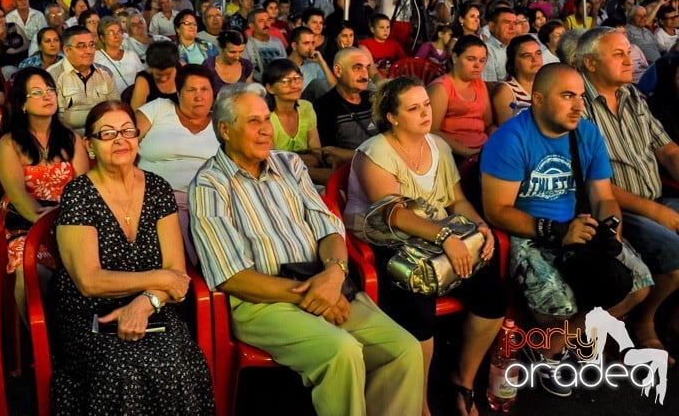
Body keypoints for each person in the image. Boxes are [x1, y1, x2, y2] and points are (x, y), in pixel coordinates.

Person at [189, 83, 423, 416]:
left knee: (404, 349)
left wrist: (333, 274)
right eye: (253, 122)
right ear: (225, 130)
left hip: (324, 282)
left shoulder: (290, 166)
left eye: (266, 120)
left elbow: (329, 228)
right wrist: (313, 295)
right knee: (341, 352)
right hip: (263, 301)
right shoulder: (210, 184)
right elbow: (232, 277)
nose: (265, 131)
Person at [481, 63, 652, 397]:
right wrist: (555, 231)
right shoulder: (510, 139)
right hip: (528, 231)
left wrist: (610, 233)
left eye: (580, 96)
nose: (578, 105)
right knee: (557, 306)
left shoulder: (586, 133)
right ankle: (557, 345)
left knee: (639, 285)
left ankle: (551, 347)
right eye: (567, 96)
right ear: (539, 100)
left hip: (578, 226)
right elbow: (497, 211)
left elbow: (602, 196)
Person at [346, 76, 504, 416]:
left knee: (491, 287)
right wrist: (446, 238)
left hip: (434, 237)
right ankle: (417, 401)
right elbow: (395, 216)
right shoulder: (373, 153)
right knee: (416, 301)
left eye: (427, 105)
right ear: (392, 116)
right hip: (386, 241)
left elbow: (456, 200)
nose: (424, 113)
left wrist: (480, 228)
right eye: (413, 108)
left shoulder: (438, 146)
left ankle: (463, 379)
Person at [49, 101, 214, 414]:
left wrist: (146, 302)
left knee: (173, 360)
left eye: (127, 131)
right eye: (108, 133)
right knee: (120, 368)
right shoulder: (79, 193)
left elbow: (176, 272)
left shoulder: (157, 188)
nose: (120, 140)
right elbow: (89, 281)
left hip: (156, 307)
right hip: (92, 315)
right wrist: (161, 279)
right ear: (90, 145)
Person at [577, 27, 679, 358]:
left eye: (628, 52)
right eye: (618, 54)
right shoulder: (578, 107)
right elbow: (593, 183)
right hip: (618, 207)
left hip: (657, 196)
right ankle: (644, 321)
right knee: (675, 252)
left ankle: (674, 316)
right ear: (590, 63)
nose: (629, 60)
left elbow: (667, 151)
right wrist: (658, 213)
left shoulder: (632, 96)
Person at [0, 67, 88, 312]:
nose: (48, 96)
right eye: (37, 92)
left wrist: (67, 225)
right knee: (30, 270)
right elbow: (18, 196)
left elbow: (84, 189)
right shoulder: (10, 143)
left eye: (50, 90)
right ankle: (39, 341)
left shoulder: (71, 138)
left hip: (70, 219)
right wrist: (45, 224)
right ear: (22, 103)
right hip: (26, 221)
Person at [135, 64, 219, 263]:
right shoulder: (160, 108)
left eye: (205, 90)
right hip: (156, 198)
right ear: (178, 93)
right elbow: (125, 140)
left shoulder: (222, 123)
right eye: (191, 90)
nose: (199, 96)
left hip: (209, 201)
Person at [263, 58, 330, 184]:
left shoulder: (306, 107)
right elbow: (274, 163)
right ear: (270, 88)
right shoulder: (265, 117)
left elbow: (317, 155)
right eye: (285, 81)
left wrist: (292, 159)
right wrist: (304, 159)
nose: (294, 85)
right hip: (278, 181)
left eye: (297, 78)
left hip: (308, 177)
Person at [428, 35, 494, 160]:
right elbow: (432, 131)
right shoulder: (441, 88)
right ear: (455, 58)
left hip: (483, 150)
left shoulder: (480, 84)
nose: (477, 65)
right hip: (453, 155)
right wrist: (469, 153)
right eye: (471, 59)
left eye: (482, 60)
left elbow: (489, 124)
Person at [47, 26, 119, 135]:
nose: (89, 51)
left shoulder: (105, 73)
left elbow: (116, 108)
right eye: (81, 46)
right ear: (67, 50)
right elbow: (55, 120)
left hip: (103, 133)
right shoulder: (53, 75)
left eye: (91, 45)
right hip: (69, 136)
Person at [315, 46, 379, 167]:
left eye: (367, 68)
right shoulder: (324, 105)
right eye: (357, 68)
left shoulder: (374, 99)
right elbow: (329, 154)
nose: (365, 75)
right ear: (338, 71)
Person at [491, 34, 543, 126]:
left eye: (538, 53)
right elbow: (508, 130)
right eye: (526, 55)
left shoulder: (548, 85)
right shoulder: (505, 90)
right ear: (513, 62)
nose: (535, 59)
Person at [94, 16, 142, 94]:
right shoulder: (95, 58)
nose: (116, 36)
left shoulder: (132, 55)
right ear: (102, 38)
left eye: (119, 31)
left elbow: (141, 79)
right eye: (111, 32)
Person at [287, 26, 336, 103]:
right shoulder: (280, 64)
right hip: (293, 103)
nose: (311, 47)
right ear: (294, 46)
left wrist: (322, 63)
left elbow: (334, 88)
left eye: (312, 43)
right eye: (306, 43)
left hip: (314, 107)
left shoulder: (315, 65)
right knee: (317, 84)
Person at [129, 40, 179, 110]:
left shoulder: (183, 73)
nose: (163, 79)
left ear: (175, 66)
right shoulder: (144, 80)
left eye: (168, 74)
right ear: (150, 68)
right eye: (158, 75)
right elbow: (136, 111)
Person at [243, 7, 286, 82]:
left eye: (268, 20)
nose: (266, 24)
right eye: (261, 21)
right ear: (251, 26)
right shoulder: (246, 45)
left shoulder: (277, 42)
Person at [203, 29, 253, 94]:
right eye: (232, 52)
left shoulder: (246, 65)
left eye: (241, 51)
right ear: (221, 48)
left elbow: (249, 93)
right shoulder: (208, 66)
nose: (237, 57)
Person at [0, 5, 28, 79]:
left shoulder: (14, 26)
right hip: (6, 64)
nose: (0, 19)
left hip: (24, 60)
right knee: (13, 75)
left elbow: (26, 44)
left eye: (2, 16)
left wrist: (16, 50)